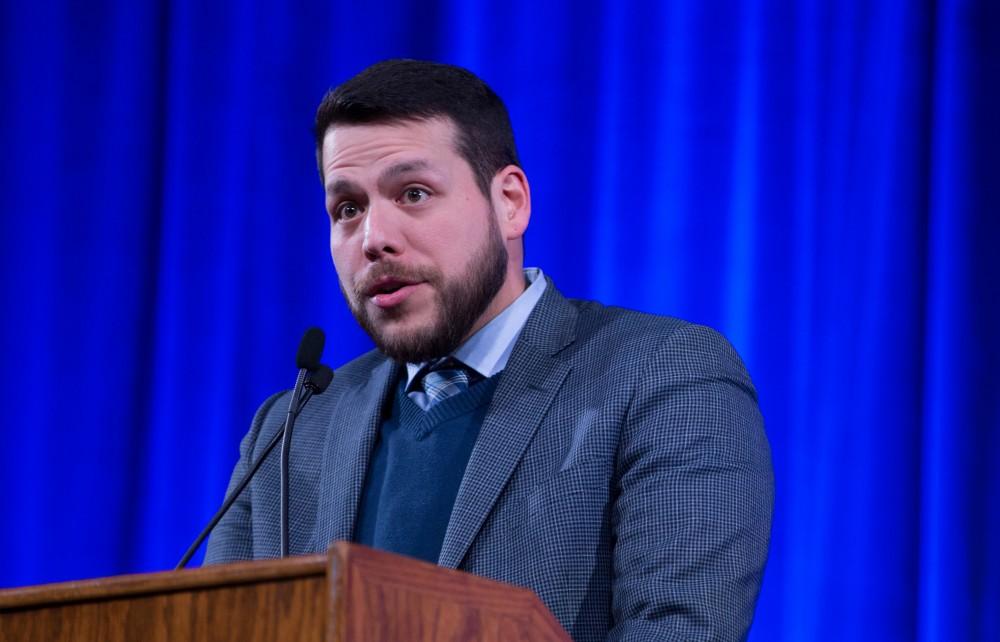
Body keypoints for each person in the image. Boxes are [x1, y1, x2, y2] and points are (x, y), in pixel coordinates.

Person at [205, 59, 773, 641]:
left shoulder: (664, 376)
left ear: (510, 202)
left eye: (414, 193)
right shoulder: (290, 428)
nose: (374, 238)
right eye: (347, 208)